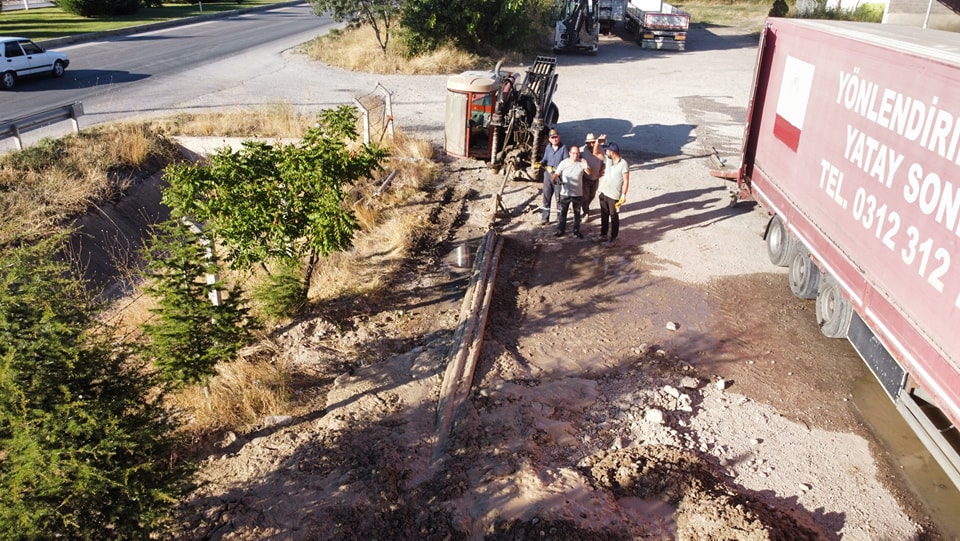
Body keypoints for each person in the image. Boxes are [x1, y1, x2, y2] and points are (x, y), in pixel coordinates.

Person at [593, 135, 630, 247]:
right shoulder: (608, 159)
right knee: (604, 214)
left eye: (607, 150)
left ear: (612, 152)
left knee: (613, 216)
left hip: (614, 195)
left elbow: (626, 181)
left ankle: (613, 238)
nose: (605, 152)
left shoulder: (624, 164)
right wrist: (597, 142)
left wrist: (623, 195)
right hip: (604, 192)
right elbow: (595, 153)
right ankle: (603, 234)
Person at [551, 145, 592, 239]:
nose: (575, 155)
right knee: (563, 213)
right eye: (573, 153)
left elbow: (590, 173)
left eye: (577, 153)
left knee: (577, 214)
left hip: (577, 194)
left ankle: (576, 231)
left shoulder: (582, 162)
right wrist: (554, 180)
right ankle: (561, 230)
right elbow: (557, 173)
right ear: (569, 153)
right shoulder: (564, 163)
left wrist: (586, 166)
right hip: (565, 193)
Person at [538, 128, 567, 225]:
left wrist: (556, 170)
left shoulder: (563, 148)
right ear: (549, 139)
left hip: (558, 176)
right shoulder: (548, 147)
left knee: (559, 197)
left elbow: (566, 163)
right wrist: (540, 163)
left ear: (559, 137)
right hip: (548, 175)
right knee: (546, 196)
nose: (555, 139)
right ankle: (545, 218)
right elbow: (545, 159)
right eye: (553, 137)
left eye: (556, 137)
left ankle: (560, 219)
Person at [580, 133, 603, 221]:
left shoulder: (600, 149)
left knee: (592, 195)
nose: (592, 144)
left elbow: (604, 161)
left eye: (594, 142)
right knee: (585, 196)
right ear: (587, 143)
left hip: (595, 177)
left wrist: (601, 171)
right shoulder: (582, 150)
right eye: (590, 142)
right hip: (585, 177)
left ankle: (586, 207)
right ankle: (586, 213)